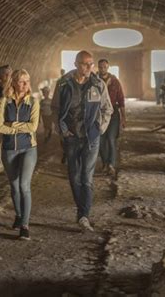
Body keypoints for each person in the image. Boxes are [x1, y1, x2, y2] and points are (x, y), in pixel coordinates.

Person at [52, 51, 113, 232]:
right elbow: (55, 108)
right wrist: (62, 130)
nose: (88, 68)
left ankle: (83, 215)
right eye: (84, 64)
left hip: (91, 138)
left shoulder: (98, 84)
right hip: (71, 137)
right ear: (76, 64)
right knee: (74, 177)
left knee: (86, 178)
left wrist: (99, 129)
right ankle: (82, 210)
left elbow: (107, 109)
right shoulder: (63, 84)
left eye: (91, 64)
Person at [0, 69, 40, 240]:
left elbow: (33, 127)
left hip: (29, 147)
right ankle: (19, 215)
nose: (24, 85)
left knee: (24, 185)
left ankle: (25, 226)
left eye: (26, 81)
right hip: (9, 149)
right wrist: (22, 125)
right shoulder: (4, 102)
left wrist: (12, 124)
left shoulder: (33, 102)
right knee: (14, 186)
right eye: (20, 81)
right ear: (13, 82)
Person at [97, 59, 126, 177]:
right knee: (101, 140)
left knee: (111, 138)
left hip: (113, 113)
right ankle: (104, 164)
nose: (103, 69)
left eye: (105, 67)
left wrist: (123, 117)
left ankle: (111, 165)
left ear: (108, 67)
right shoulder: (94, 81)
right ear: (98, 67)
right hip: (99, 114)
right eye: (101, 67)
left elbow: (121, 99)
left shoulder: (115, 82)